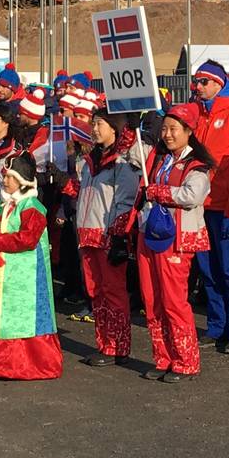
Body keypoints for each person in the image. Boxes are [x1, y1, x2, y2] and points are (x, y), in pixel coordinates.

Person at [137, 104, 212, 383]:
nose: (167, 134)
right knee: (152, 299)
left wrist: (158, 192)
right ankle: (163, 357)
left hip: (177, 239)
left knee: (173, 302)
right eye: (164, 128)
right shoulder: (158, 158)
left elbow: (193, 195)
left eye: (173, 129)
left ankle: (185, 361)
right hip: (150, 233)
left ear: (189, 132)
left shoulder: (197, 165)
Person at [0, 153, 63, 380]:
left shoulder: (32, 207)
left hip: (27, 275)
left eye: (10, 177)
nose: (5, 181)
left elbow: (27, 239)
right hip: (2, 272)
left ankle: (32, 364)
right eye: (5, 176)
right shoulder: (2, 204)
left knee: (25, 317)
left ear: (22, 180)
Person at [190, 60, 229, 354]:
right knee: (208, 270)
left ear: (218, 83)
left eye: (203, 82)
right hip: (201, 206)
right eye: (196, 82)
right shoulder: (201, 115)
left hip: (223, 205)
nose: (197, 87)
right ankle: (217, 325)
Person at [75, 109, 140, 366]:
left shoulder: (122, 161)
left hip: (107, 235)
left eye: (99, 123)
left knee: (114, 292)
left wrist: (118, 235)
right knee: (96, 292)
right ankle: (104, 343)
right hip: (86, 233)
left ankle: (118, 346)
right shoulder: (92, 159)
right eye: (93, 124)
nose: (94, 128)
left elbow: (125, 202)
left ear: (114, 127)